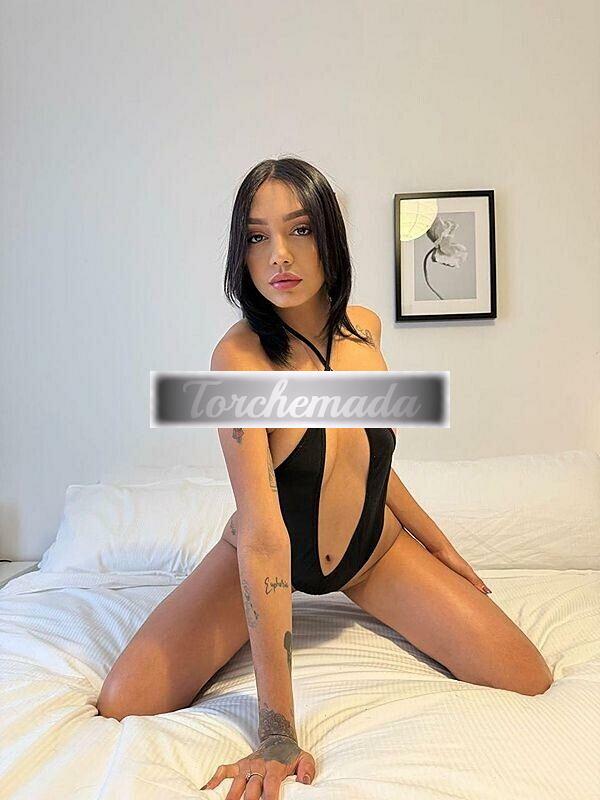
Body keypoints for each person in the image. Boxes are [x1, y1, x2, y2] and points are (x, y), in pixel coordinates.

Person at [96, 157, 553, 799]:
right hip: (267, 553)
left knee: (526, 675)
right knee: (124, 702)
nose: (279, 255)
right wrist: (277, 732)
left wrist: (439, 546)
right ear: (240, 253)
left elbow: (370, 460)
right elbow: (264, 538)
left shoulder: (365, 331)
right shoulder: (240, 361)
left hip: (371, 550)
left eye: (300, 229)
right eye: (257, 237)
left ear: (329, 236)